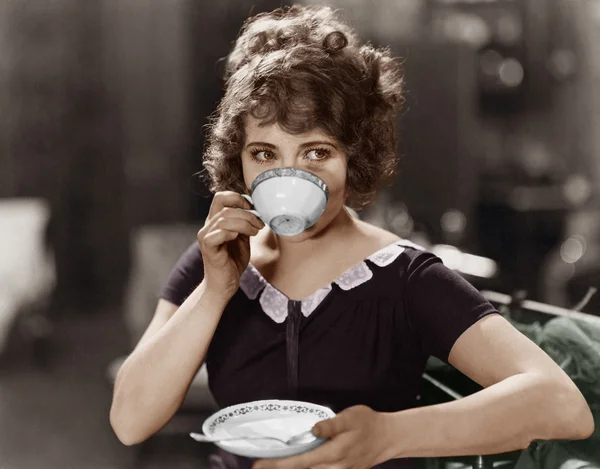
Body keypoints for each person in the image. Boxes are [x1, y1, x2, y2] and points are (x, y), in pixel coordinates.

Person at [109, 5, 595, 469]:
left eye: (316, 152)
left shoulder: (407, 278)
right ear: (239, 160)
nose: (287, 176)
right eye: (263, 154)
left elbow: (561, 405)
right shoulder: (213, 262)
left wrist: (388, 435)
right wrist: (215, 291)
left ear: (355, 156)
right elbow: (130, 421)